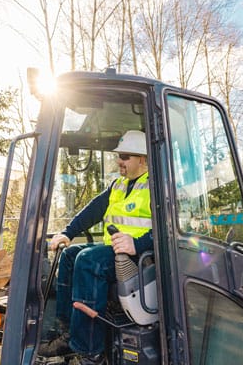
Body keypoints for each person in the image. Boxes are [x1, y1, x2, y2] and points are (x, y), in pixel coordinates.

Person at [39, 130, 153, 365]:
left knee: (89, 260)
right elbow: (93, 210)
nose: (118, 161)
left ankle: (91, 352)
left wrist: (137, 244)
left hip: (141, 257)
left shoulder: (155, 187)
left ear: (142, 158)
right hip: (116, 252)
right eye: (119, 156)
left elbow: (168, 228)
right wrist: (67, 233)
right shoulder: (119, 185)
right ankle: (68, 330)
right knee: (70, 254)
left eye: (124, 156)